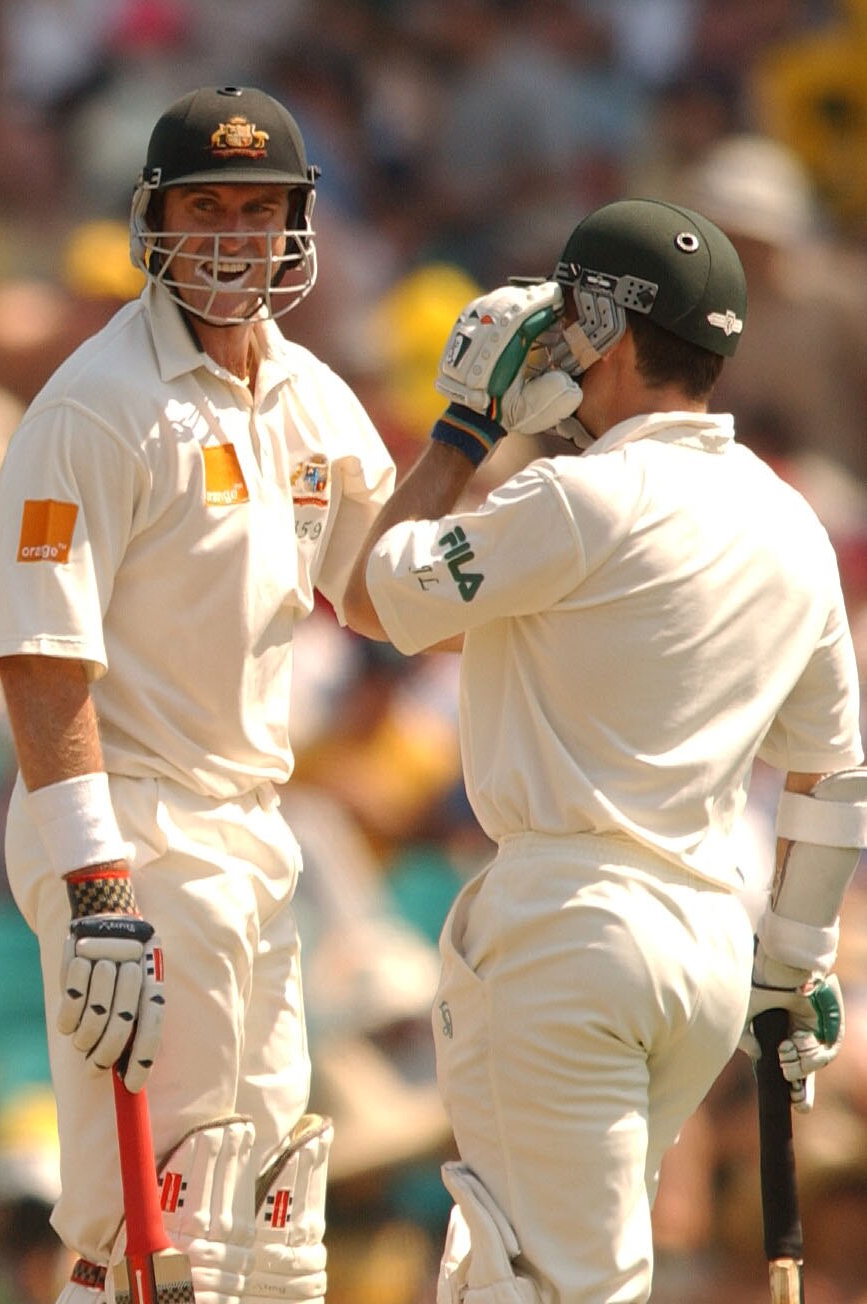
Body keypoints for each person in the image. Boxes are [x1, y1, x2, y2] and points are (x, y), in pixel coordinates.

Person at [341, 198, 862, 1303]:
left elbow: (372, 594)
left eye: (572, 319)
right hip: (704, 951)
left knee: (549, 1284)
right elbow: (831, 775)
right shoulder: (793, 524)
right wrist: (792, 962)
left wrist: (466, 424)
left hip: (572, 927)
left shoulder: (575, 498)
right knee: (545, 1269)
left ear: (612, 335)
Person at [0, 86, 397, 1303]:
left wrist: (474, 435)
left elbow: (386, 592)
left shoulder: (309, 394)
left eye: (256, 211)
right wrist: (99, 888)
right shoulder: (96, 405)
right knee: (156, 1217)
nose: (230, 237)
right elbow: (43, 657)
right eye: (205, 208)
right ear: (154, 221)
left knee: (265, 1212)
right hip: (134, 824)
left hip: (251, 833)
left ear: (295, 225)